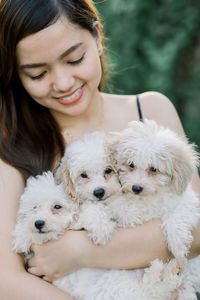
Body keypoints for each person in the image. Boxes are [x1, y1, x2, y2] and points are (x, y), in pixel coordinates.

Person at [0, 0, 199, 299]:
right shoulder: (11, 151)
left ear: (97, 37)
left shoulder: (150, 111)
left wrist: (83, 250)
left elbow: (196, 227)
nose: (63, 83)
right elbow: (6, 279)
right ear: (17, 75)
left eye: (75, 59)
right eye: (38, 74)